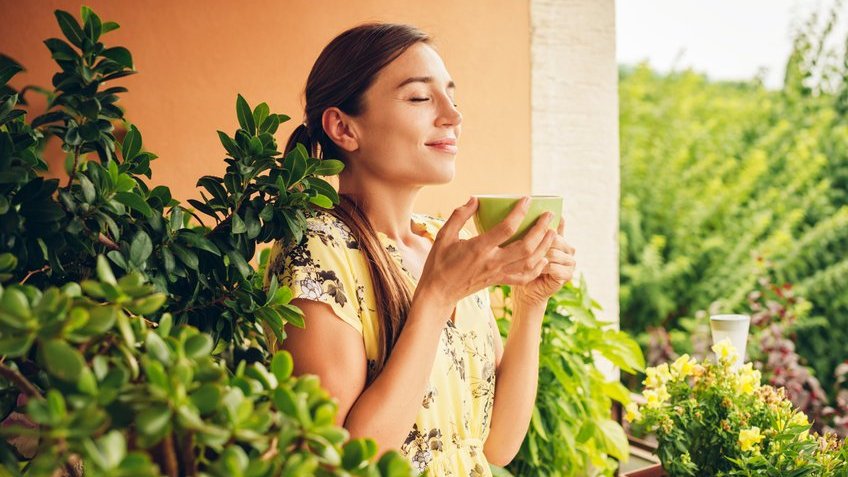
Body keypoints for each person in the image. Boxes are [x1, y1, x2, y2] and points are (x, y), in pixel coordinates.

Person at [264, 23, 576, 476]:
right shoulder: (315, 252)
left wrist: (532, 303)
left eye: (452, 96)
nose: (452, 115)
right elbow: (338, 459)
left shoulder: (445, 245)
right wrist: (435, 298)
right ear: (343, 128)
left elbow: (496, 447)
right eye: (419, 98)